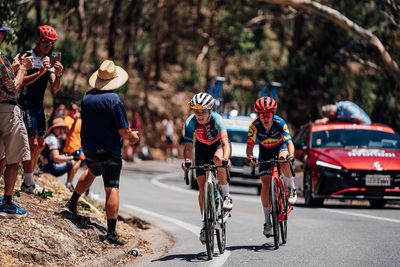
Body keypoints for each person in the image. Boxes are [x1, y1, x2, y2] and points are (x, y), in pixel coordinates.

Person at [65, 59, 139, 245]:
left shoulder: (87, 97)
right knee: (112, 187)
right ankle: (112, 233)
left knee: (91, 171)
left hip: (89, 147)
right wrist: (133, 137)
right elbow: (123, 131)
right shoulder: (114, 100)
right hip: (109, 150)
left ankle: (72, 202)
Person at [18, 25, 64, 195]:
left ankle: (28, 179)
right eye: (45, 41)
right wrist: (40, 72)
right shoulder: (27, 56)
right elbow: (20, 81)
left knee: (41, 144)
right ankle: (28, 181)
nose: (48, 45)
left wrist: (58, 74)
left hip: (38, 105)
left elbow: (55, 89)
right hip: (25, 102)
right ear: (38, 39)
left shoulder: (50, 59)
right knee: (32, 142)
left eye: (51, 43)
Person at [181, 92, 232, 243]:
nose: (199, 115)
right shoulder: (190, 122)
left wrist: (225, 159)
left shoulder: (217, 119)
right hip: (202, 150)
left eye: (203, 111)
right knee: (202, 186)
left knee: (218, 160)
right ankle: (205, 225)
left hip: (218, 147)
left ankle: (226, 195)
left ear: (210, 110)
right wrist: (188, 160)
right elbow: (189, 145)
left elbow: (225, 143)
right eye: (196, 111)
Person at [246, 96, 297, 238]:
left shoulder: (280, 123)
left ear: (273, 114)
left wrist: (291, 154)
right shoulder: (254, 125)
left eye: (268, 115)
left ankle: (291, 188)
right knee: (265, 183)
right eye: (261, 115)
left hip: (280, 147)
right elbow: (249, 148)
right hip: (265, 152)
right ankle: (267, 222)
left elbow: (289, 142)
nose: (265, 118)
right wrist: (251, 158)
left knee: (283, 159)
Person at [0, 23, 33, 218]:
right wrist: (22, 69)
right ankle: (7, 202)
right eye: (2, 33)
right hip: (8, 111)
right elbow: (13, 87)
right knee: (13, 159)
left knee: (1, 156)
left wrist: (11, 67)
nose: (3, 37)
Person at [41, 118, 81, 190]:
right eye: (58, 128)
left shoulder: (52, 137)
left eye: (63, 128)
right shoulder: (52, 139)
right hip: (50, 169)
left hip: (47, 166)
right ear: (53, 129)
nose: (61, 130)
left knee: (73, 159)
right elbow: (56, 158)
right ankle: (69, 184)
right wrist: (72, 157)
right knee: (77, 161)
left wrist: (67, 156)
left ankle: (69, 184)